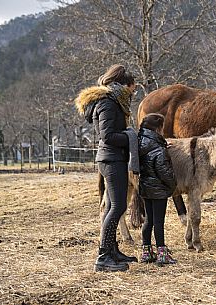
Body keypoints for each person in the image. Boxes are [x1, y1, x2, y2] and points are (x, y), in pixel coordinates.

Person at [75, 64, 138, 272]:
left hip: (114, 159)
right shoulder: (108, 103)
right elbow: (108, 136)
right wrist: (131, 137)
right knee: (118, 207)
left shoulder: (113, 101)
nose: (133, 92)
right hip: (111, 160)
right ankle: (103, 257)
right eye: (132, 88)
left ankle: (112, 250)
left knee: (113, 205)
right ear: (122, 84)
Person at [138, 113, 177, 266]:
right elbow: (164, 171)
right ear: (158, 128)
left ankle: (146, 252)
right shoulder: (158, 148)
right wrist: (172, 185)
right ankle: (162, 254)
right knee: (159, 222)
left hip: (145, 187)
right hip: (159, 190)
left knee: (148, 220)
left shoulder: (141, 142)